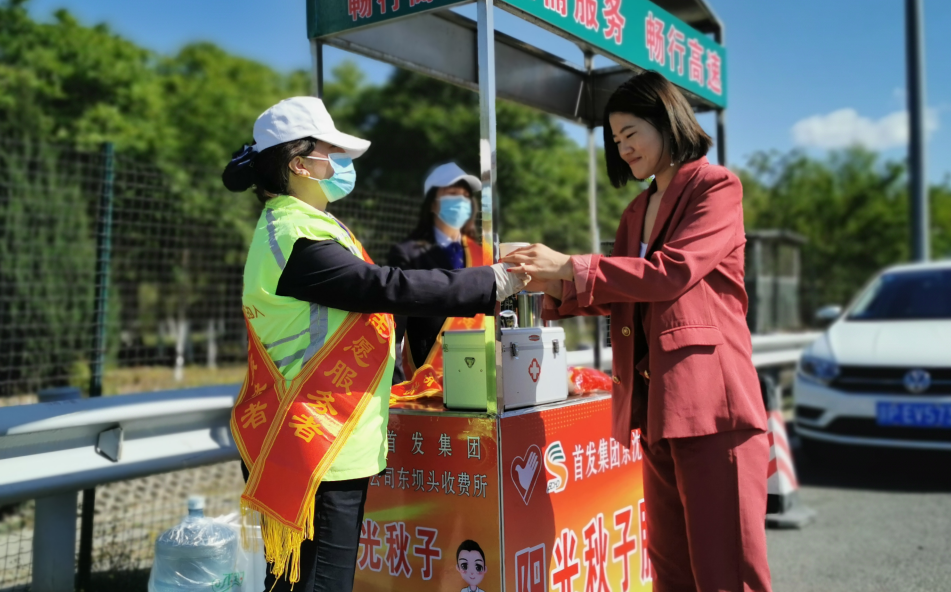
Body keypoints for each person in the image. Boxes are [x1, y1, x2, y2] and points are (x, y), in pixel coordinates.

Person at [221, 96, 526, 592]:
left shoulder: (304, 225)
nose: (341, 163)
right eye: (331, 152)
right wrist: (493, 282)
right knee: (321, 583)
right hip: (315, 442)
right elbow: (387, 287)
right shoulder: (296, 236)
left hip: (321, 435)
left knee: (303, 582)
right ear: (299, 164)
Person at [504, 71, 772, 592]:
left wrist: (570, 267)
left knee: (726, 574)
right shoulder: (637, 209)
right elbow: (626, 293)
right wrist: (551, 284)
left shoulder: (715, 187)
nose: (623, 148)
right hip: (655, 408)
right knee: (670, 569)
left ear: (667, 123)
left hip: (713, 407)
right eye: (616, 139)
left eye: (631, 133)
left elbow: (670, 273)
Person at [388, 162, 484, 385]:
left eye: (465, 196)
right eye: (452, 194)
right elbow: (394, 330)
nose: (461, 202)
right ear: (432, 204)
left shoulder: (482, 254)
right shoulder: (408, 254)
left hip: (479, 370)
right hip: (427, 379)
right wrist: (396, 383)